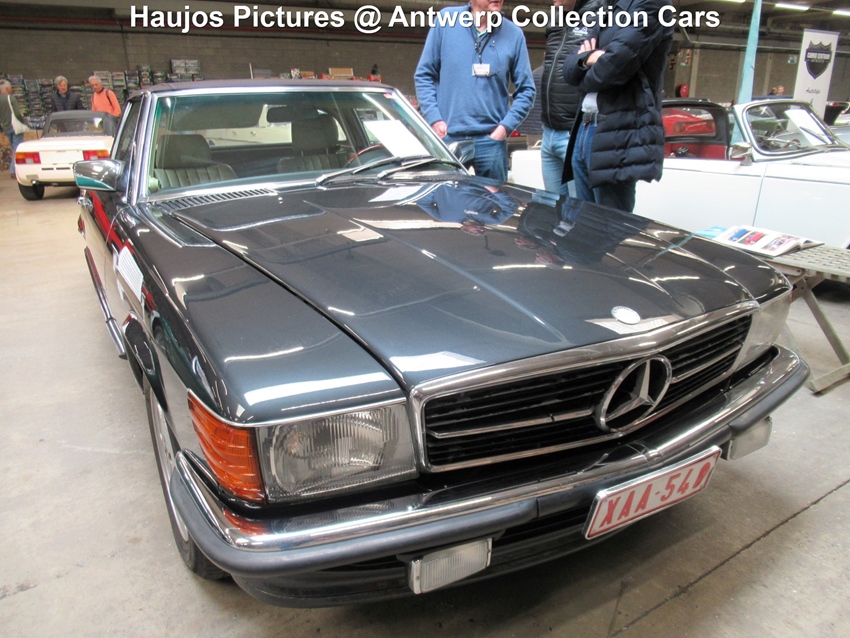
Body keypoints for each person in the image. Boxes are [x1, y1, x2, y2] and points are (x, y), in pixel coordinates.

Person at [562, 0, 674, 212]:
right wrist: (589, 58)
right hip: (584, 128)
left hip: (617, 131)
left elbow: (612, 69)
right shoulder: (608, 7)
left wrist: (582, 66)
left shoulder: (652, 4)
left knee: (610, 225)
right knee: (584, 225)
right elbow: (568, 69)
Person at [414, 0, 535, 183]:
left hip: (491, 142)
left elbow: (527, 90)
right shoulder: (446, 22)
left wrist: (504, 128)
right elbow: (424, 75)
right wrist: (434, 118)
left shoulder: (514, 35)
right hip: (449, 138)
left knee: (492, 200)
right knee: (448, 199)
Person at [539, 0, 601, 196]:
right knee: (554, 208)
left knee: (578, 210)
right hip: (549, 131)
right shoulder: (556, 17)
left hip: (574, 133)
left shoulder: (599, 16)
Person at [1, 80, 27, 179]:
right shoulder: (10, 98)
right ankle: (14, 170)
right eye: (11, 87)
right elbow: (17, 113)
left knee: (14, 148)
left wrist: (1, 129)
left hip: (6, 127)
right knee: (17, 148)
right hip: (15, 127)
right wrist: (23, 122)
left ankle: (14, 169)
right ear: (7, 88)